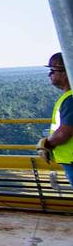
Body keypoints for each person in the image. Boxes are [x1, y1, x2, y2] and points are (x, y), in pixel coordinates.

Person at [39, 52, 73, 186]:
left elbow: (64, 132)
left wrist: (46, 144)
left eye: (53, 70)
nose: (50, 74)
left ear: (66, 72)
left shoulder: (70, 99)